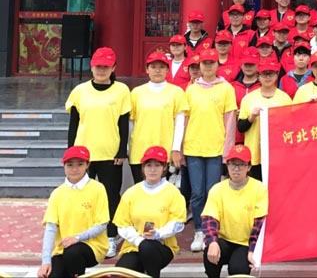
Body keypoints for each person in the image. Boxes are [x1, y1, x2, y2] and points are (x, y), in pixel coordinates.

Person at [65, 46, 131, 258]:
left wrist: (122, 151)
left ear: (113, 68)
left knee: (111, 196)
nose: (101, 70)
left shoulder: (121, 91)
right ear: (91, 67)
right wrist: (71, 153)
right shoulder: (80, 91)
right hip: (83, 154)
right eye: (98, 66)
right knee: (83, 196)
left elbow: (123, 124)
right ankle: (84, 234)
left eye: (106, 66)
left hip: (110, 154)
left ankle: (111, 236)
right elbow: (74, 124)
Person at [183, 48, 238, 253]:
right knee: (197, 193)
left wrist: (227, 150)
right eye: (204, 63)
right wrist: (179, 146)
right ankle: (199, 230)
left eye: (211, 63)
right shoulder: (191, 90)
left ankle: (211, 231)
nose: (207, 67)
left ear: (217, 65)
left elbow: (230, 121)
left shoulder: (226, 89)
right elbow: (185, 119)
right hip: (193, 147)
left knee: (212, 192)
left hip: (215, 148)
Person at [114, 146, 186, 278]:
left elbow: (177, 223)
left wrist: (158, 234)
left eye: (157, 165)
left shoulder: (173, 192)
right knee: (119, 274)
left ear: (164, 167)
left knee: (148, 248)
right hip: (134, 246)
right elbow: (122, 225)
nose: (152, 170)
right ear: (143, 168)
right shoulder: (131, 193)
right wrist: (138, 240)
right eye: (148, 165)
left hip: (162, 245)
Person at [38, 146, 109, 278]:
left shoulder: (98, 189)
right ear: (64, 166)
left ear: (87, 165)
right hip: (63, 248)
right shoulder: (57, 193)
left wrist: (77, 238)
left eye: (80, 164)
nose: (74, 169)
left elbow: (101, 225)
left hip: (92, 246)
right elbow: (50, 228)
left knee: (73, 252)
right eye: (70, 165)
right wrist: (45, 261)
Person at [201, 145, 268, 278]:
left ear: (249, 167)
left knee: (237, 269)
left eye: (241, 165)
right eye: (232, 164)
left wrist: (253, 250)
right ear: (227, 165)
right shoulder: (217, 189)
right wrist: (212, 242)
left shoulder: (259, 189)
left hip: (245, 243)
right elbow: (209, 219)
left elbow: (259, 224)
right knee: (210, 251)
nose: (236, 169)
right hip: (224, 240)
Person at [129, 52, 188, 184]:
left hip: (165, 150)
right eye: (153, 67)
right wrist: (128, 147)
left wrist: (176, 149)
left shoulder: (176, 92)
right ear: (147, 69)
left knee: (163, 190)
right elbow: (131, 123)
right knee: (140, 189)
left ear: (167, 70)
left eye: (161, 67)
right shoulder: (136, 92)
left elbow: (179, 124)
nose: (157, 70)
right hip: (139, 150)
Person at [238, 58, 293, 180]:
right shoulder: (249, 98)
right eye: (264, 74)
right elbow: (241, 127)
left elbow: (291, 126)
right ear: (258, 76)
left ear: (276, 75)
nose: (268, 77)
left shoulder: (284, 99)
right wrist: (252, 117)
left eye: (271, 73)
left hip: (278, 152)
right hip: (255, 152)